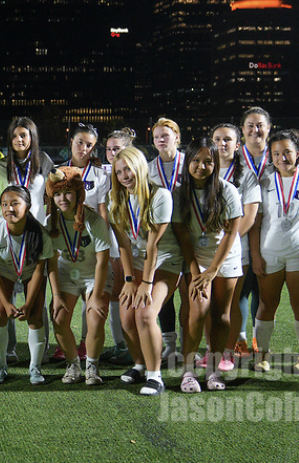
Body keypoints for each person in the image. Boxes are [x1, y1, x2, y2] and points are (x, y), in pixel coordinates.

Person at [249, 129, 299, 375]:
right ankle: (262, 354)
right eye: (275, 153)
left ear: (298, 153)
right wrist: (255, 255)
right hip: (269, 254)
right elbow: (256, 222)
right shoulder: (263, 182)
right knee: (266, 304)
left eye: (287, 152)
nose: (281, 157)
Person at [171, 138, 243, 393]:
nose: (201, 166)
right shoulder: (179, 194)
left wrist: (213, 271)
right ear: (187, 162)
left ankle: (213, 371)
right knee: (197, 312)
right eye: (196, 161)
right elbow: (182, 236)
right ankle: (188, 372)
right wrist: (195, 272)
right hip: (196, 260)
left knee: (221, 315)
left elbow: (231, 234)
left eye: (208, 161)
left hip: (225, 259)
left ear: (216, 164)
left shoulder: (227, 190)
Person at [107, 147, 179, 395]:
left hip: (165, 261)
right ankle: (139, 364)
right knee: (126, 315)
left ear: (139, 166)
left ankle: (155, 375)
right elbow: (125, 244)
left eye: (128, 168)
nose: (125, 175)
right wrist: (129, 280)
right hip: (137, 262)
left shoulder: (161, 195)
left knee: (145, 313)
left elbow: (153, 246)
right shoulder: (115, 198)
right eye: (119, 172)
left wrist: (145, 284)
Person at [44, 166, 112, 385]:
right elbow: (52, 263)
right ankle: (72, 363)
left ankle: (92, 365)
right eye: (57, 194)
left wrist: (97, 295)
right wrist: (56, 295)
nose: (63, 198)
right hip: (66, 275)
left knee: (95, 316)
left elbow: (103, 260)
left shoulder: (94, 220)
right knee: (59, 317)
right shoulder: (50, 223)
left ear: (79, 194)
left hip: (95, 275)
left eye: (68, 192)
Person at [0, 186, 56, 385]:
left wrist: (28, 302)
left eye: (15, 203)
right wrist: (7, 303)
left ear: (28, 206)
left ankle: (35, 368)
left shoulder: (40, 234)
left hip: (30, 270)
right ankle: (1, 368)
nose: (9, 208)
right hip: (5, 270)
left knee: (35, 313)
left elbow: (38, 272)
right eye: (5, 204)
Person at [210, 123, 261, 370]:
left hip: (234, 250)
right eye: (217, 139)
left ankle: (229, 351)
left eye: (228, 139)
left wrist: (226, 243)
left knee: (231, 302)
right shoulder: (203, 170)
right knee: (209, 304)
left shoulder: (246, 175)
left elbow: (250, 216)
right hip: (205, 249)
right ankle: (212, 352)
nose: (222, 143)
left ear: (237, 145)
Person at [234, 107, 274, 358]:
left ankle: (260, 338)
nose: (255, 130)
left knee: (264, 293)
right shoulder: (233, 159)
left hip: (271, 233)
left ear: (269, 128)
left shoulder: (278, 156)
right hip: (239, 233)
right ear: (242, 130)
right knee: (239, 289)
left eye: (260, 125)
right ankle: (240, 339)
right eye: (250, 125)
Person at [148, 118, 185, 363]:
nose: (161, 139)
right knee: (166, 295)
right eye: (157, 137)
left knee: (190, 295)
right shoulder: (149, 168)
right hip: (163, 238)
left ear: (177, 138)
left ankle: (190, 344)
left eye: (166, 135)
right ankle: (170, 344)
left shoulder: (191, 163)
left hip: (191, 234)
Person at [101, 128, 137, 365]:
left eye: (117, 149)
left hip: (136, 243)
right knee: (116, 293)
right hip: (114, 240)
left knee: (130, 294)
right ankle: (121, 345)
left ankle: (133, 346)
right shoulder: (104, 172)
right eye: (109, 149)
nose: (112, 153)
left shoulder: (135, 172)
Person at [0, 117, 55, 222]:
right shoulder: (0, 166)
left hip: (38, 227)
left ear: (32, 137)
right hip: (10, 229)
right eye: (14, 136)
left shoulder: (43, 160)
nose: (18, 139)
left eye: (23, 135)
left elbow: (55, 189)